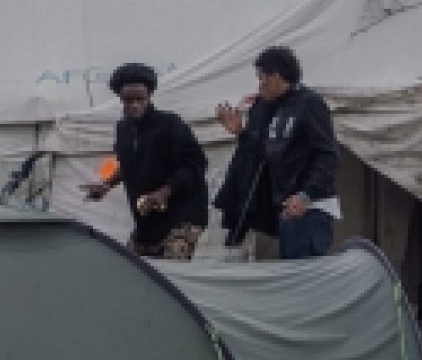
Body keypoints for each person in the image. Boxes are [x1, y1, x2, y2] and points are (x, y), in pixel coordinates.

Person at [212, 45, 340, 259]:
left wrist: (305, 195)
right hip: (287, 208)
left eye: (263, 77)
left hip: (310, 207)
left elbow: (328, 154)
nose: (260, 84)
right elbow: (269, 153)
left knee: (301, 280)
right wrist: (241, 134)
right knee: (289, 280)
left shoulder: (308, 103)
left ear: (278, 76)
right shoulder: (275, 109)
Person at [82, 62, 208, 259]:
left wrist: (165, 191)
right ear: (120, 99)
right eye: (128, 100)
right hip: (147, 219)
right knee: (138, 272)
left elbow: (196, 164)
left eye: (140, 99)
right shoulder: (122, 129)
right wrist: (105, 186)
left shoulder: (170, 123)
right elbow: (128, 165)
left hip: (183, 215)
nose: (134, 105)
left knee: (170, 271)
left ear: (149, 96)